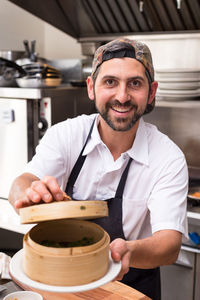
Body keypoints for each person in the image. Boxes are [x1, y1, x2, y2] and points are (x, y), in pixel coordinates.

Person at [9, 38, 188, 300]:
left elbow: (169, 244)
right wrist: (27, 194)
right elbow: (22, 182)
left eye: (135, 83)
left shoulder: (168, 157)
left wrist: (127, 251)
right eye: (110, 82)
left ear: (151, 92)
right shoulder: (66, 135)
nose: (122, 96)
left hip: (129, 287)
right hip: (61, 282)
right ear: (91, 87)